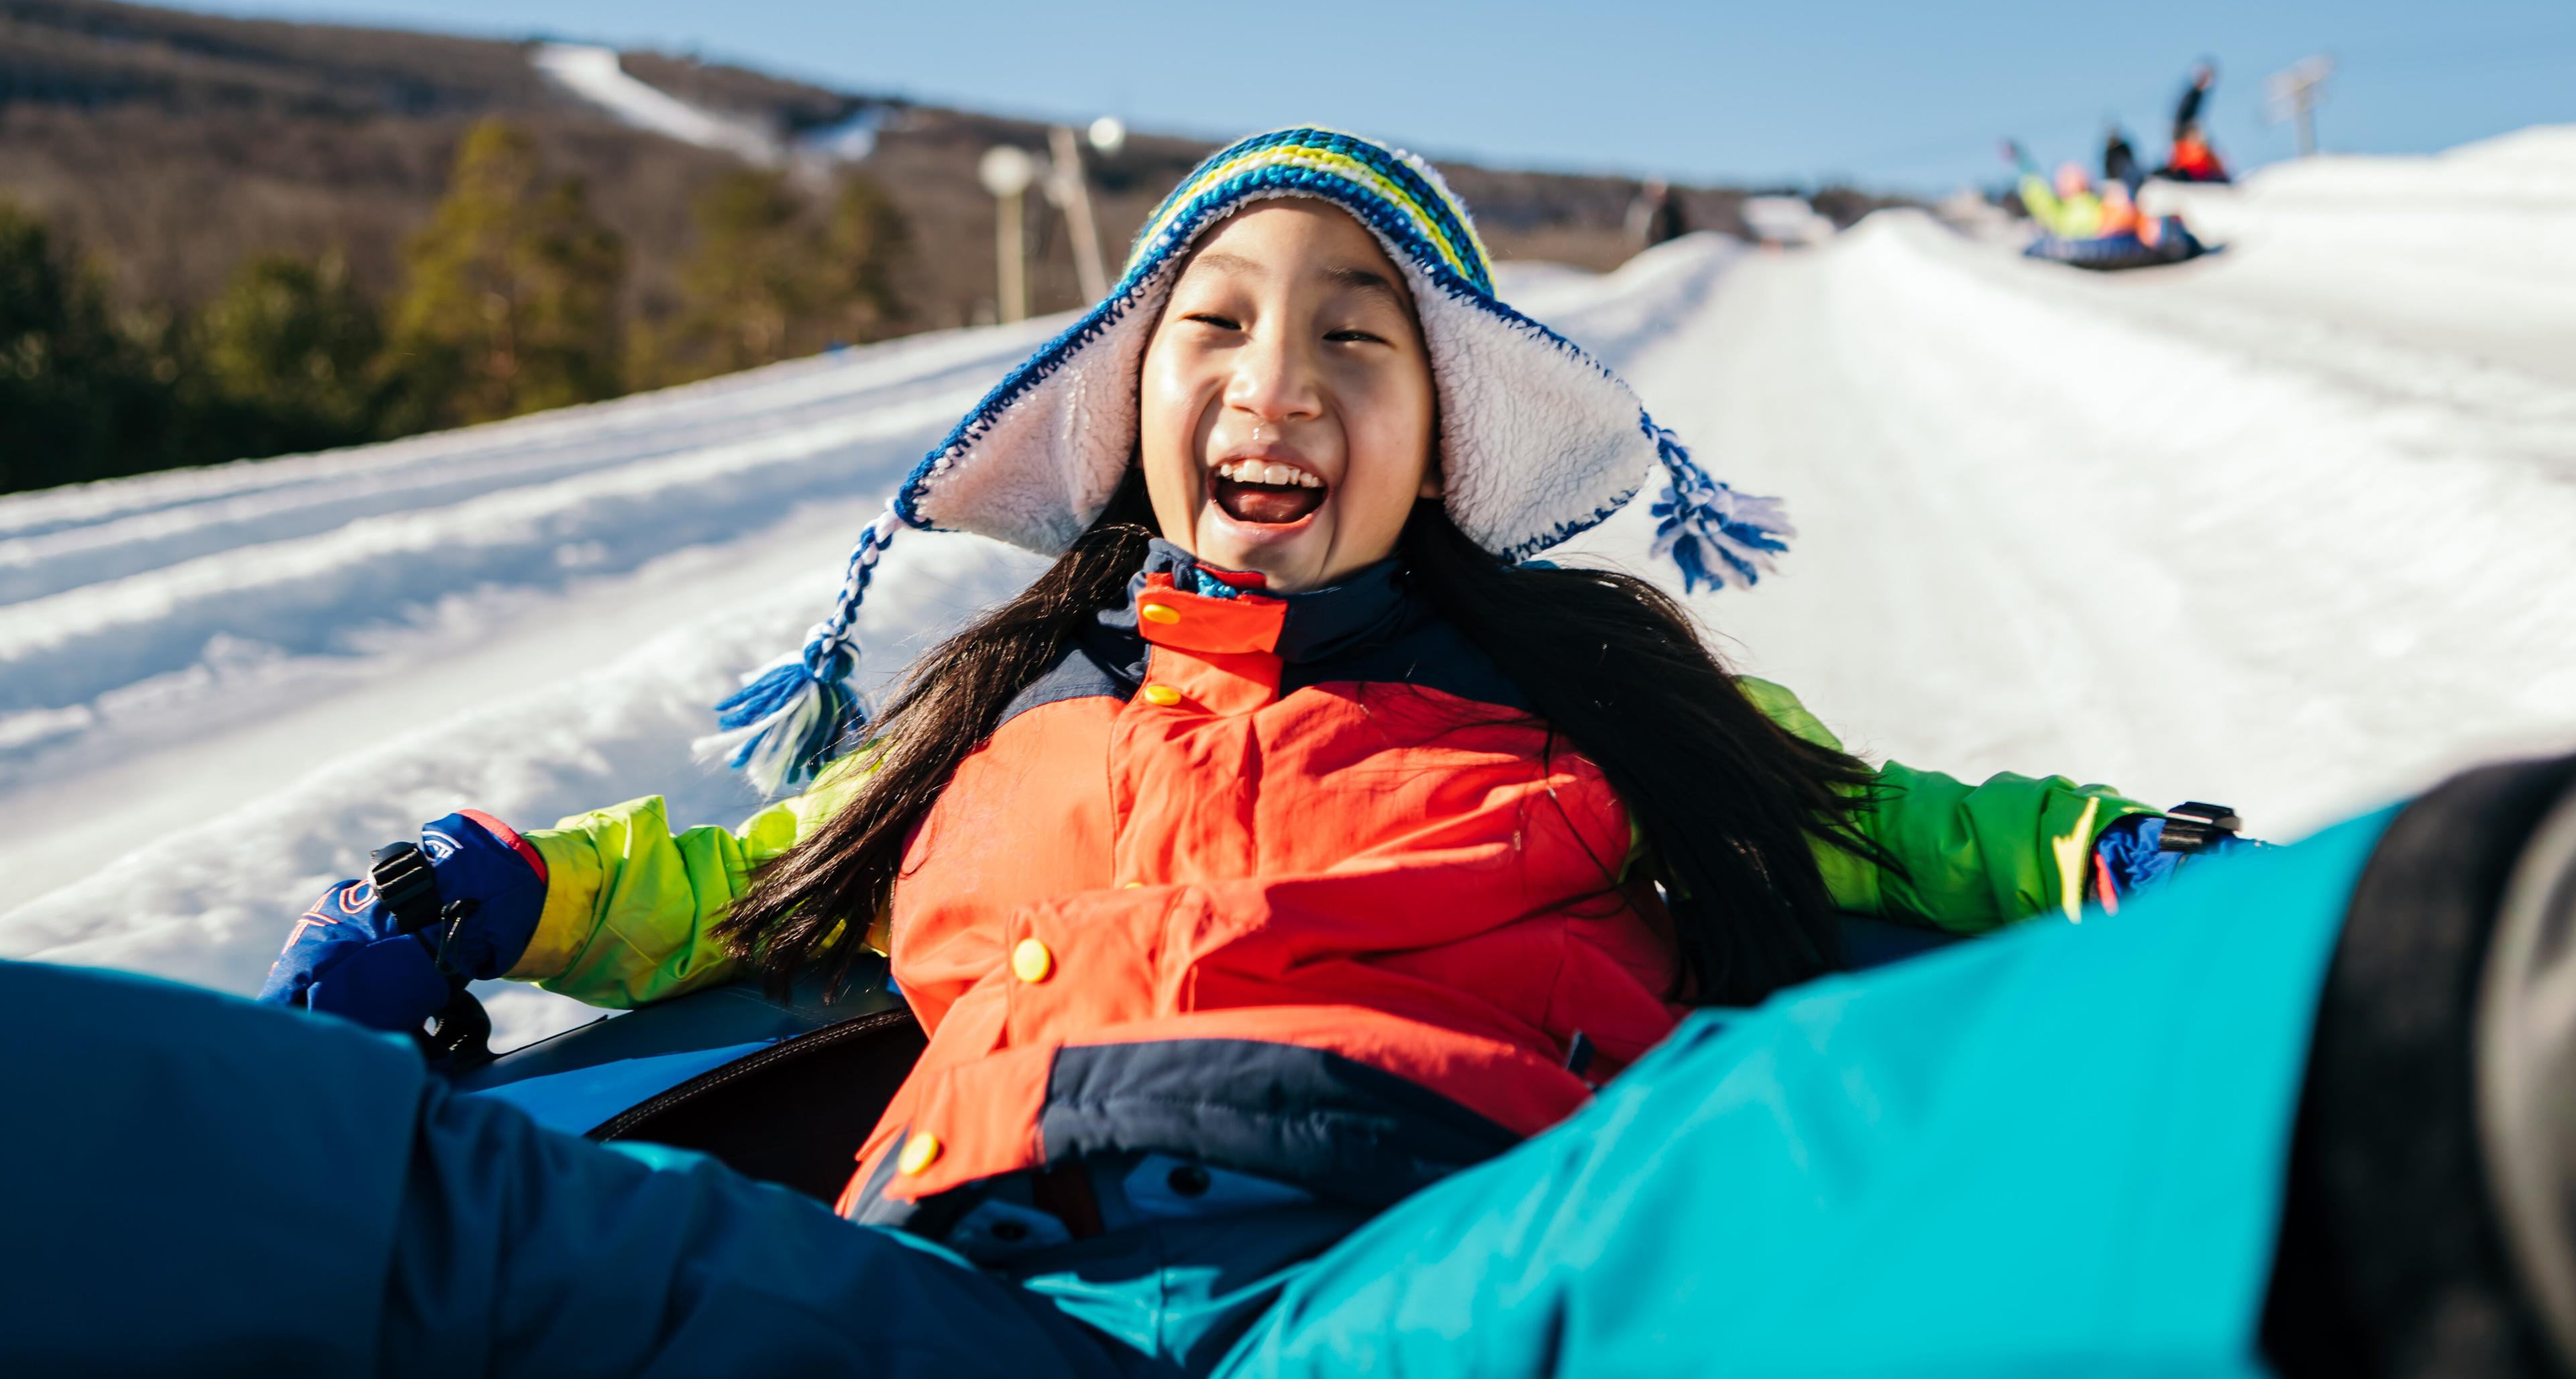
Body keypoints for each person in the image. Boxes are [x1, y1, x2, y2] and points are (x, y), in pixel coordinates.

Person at [15, 128, 2305, 1375]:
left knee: (1775, 1150)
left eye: (1356, 338)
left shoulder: (1582, 697)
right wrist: (489, 892)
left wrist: (2137, 871)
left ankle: (2431, 1024)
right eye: (1216, 325)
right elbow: (739, 888)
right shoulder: (1007, 717)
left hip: (1438, 1274)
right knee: (402, 1204)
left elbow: (1901, 831)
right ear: (1137, 416)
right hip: (951, 1306)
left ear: (1440, 439)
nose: (1277, 378)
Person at [2159, 61, 2233, 183]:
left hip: (2185, 133)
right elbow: (2183, 117)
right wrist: (2187, 132)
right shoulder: (2192, 96)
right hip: (2183, 134)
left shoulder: (2198, 95)